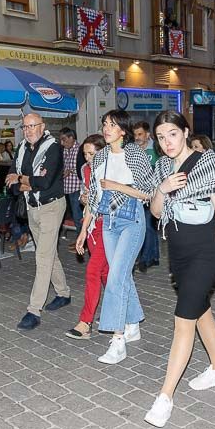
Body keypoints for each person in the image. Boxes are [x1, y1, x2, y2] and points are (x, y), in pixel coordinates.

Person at [143, 111, 215, 427]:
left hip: (206, 252)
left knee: (183, 320)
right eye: (161, 137)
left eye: (172, 134)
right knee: (200, 310)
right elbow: (155, 212)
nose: (167, 142)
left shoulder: (208, 164)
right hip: (178, 252)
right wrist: (163, 189)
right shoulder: (161, 167)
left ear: (185, 132)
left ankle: (165, 397)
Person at [78, 110, 153, 362]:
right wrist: (84, 228)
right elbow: (95, 196)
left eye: (112, 125)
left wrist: (118, 186)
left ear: (123, 130)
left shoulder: (135, 154)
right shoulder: (100, 158)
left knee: (115, 278)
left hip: (131, 220)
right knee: (121, 276)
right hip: (107, 223)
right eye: (104, 124)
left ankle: (118, 340)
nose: (106, 128)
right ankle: (133, 324)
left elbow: (149, 193)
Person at [7, 112, 72, 331]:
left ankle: (34, 310)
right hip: (31, 208)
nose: (28, 130)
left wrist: (22, 179)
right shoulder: (22, 148)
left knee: (42, 256)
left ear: (42, 126)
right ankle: (63, 293)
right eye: (25, 127)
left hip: (52, 207)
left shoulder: (53, 147)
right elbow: (10, 181)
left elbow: (45, 182)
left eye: (32, 126)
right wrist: (24, 182)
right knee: (48, 253)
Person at [68, 134, 109, 340]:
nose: (88, 157)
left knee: (93, 271)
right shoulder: (85, 170)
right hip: (91, 224)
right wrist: (84, 199)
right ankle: (121, 314)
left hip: (108, 225)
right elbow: (86, 200)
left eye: (92, 153)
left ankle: (86, 322)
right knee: (105, 274)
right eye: (85, 153)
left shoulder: (111, 169)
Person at [133, 121, 161, 273]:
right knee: (149, 227)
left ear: (147, 134)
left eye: (140, 134)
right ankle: (154, 256)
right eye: (135, 134)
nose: (137, 137)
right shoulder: (134, 150)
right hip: (137, 194)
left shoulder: (155, 149)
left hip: (152, 195)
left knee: (148, 227)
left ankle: (146, 259)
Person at [60, 127, 83, 229]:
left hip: (76, 187)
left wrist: (70, 171)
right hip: (66, 187)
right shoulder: (64, 150)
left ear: (71, 138)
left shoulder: (80, 149)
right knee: (71, 215)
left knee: (77, 215)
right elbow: (63, 165)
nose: (62, 143)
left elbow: (83, 168)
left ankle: (82, 241)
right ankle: (79, 239)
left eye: (64, 140)